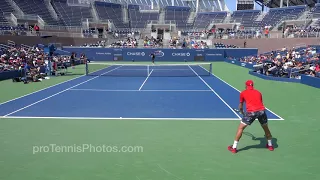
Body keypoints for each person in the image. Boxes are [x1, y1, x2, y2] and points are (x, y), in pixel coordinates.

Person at [228, 80, 274, 154]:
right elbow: (259, 103)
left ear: (246, 86)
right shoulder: (259, 92)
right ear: (252, 86)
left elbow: (240, 106)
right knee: (266, 128)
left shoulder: (243, 93)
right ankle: (270, 145)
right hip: (261, 112)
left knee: (240, 128)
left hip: (251, 113)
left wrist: (242, 112)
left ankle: (234, 148)